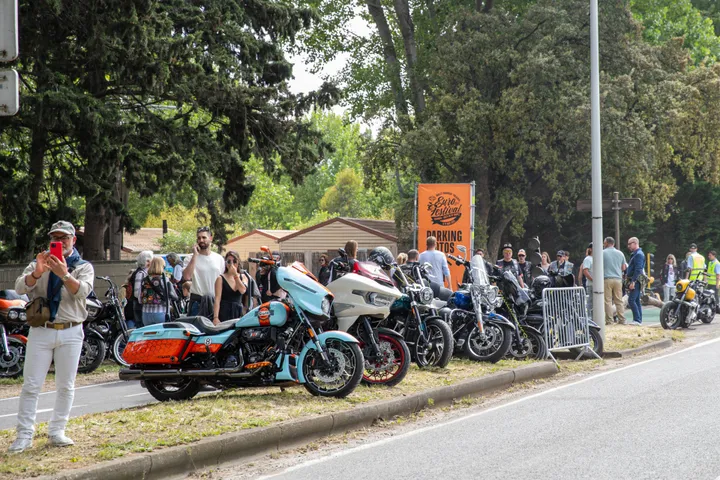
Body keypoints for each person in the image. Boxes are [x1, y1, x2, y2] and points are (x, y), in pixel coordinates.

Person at [9, 221, 94, 453]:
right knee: (31, 385)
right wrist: (37, 272)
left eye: (64, 238)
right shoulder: (39, 262)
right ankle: (24, 434)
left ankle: (57, 431)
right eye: (55, 238)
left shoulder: (83, 266)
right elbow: (20, 287)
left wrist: (64, 274)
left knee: (66, 385)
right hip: (42, 330)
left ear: (73, 240)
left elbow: (82, 291)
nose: (60, 242)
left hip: (71, 330)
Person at [182, 226, 225, 316]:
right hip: (197, 302)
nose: (201, 240)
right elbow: (187, 276)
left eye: (204, 237)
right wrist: (195, 255)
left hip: (215, 302)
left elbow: (223, 281)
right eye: (199, 238)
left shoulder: (219, 258)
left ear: (210, 238)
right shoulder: (190, 258)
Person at [139, 257, 177, 325]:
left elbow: (139, 298)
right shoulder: (164, 280)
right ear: (162, 266)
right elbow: (170, 296)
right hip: (161, 312)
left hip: (145, 313)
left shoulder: (144, 280)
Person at [213, 251, 248, 324]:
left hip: (238, 311)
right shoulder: (220, 278)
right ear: (226, 263)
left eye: (234, 261)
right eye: (229, 261)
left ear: (238, 263)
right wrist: (215, 317)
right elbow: (217, 299)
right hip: (224, 311)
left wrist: (235, 275)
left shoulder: (243, 277)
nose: (232, 264)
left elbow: (242, 290)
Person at [603, 237, 627, 325]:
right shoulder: (620, 253)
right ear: (613, 243)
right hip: (618, 279)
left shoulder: (602, 253)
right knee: (619, 300)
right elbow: (623, 267)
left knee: (608, 301)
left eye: (604, 243)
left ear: (606, 243)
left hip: (607, 279)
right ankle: (622, 319)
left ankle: (609, 320)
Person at [127, 251, 153, 328]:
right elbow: (136, 293)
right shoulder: (141, 273)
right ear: (147, 261)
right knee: (141, 326)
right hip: (139, 305)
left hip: (140, 304)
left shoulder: (143, 272)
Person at [625, 237, 645, 325]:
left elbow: (638, 269)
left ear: (635, 243)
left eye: (630, 244)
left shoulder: (638, 254)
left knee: (631, 300)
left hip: (636, 280)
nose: (628, 246)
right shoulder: (636, 254)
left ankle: (637, 320)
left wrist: (633, 281)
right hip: (636, 280)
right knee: (636, 300)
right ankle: (638, 320)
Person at [581, 243, 593, 316]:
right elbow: (585, 271)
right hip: (591, 285)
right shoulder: (588, 259)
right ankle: (589, 317)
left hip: (598, 285)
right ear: (590, 249)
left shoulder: (598, 258)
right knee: (590, 302)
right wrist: (593, 279)